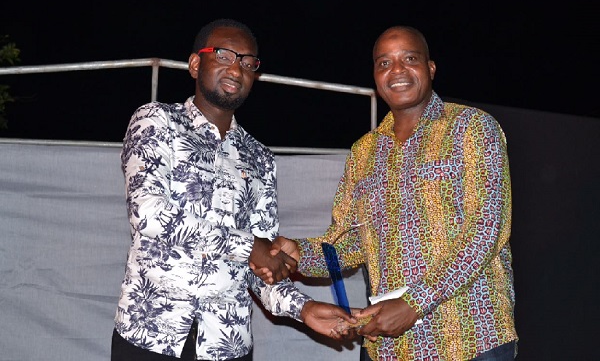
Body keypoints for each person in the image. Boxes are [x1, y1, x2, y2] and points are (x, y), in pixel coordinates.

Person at [255, 26, 518, 360]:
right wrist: (299, 254)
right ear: (375, 76)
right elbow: (349, 244)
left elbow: (486, 231)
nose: (397, 71)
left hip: (469, 337)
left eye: (409, 59)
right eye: (384, 63)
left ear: (430, 68)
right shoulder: (364, 152)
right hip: (392, 348)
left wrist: (415, 303)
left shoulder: (472, 128)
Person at [111, 18, 355, 361]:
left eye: (248, 62)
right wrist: (249, 246)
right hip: (151, 335)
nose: (237, 69)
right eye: (224, 55)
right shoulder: (156, 121)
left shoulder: (259, 158)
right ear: (196, 64)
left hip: (227, 345)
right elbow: (147, 214)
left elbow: (261, 265)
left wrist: (304, 308)